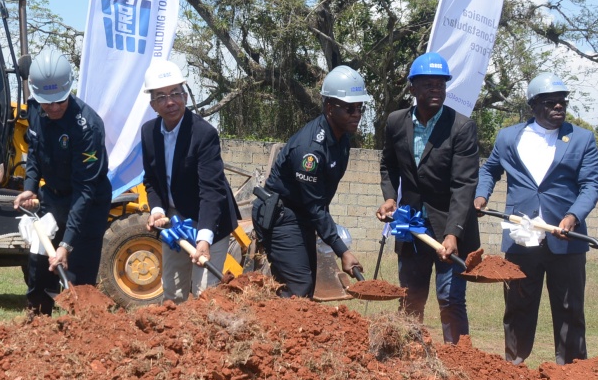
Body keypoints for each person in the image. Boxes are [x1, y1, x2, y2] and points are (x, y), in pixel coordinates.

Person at [474, 72, 598, 365]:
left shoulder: (582, 139)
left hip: (566, 241)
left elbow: (591, 184)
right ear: (533, 105)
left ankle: (572, 373)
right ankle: (514, 368)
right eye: (550, 102)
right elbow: (490, 169)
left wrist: (573, 216)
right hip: (522, 238)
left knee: (570, 308)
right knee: (518, 305)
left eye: (562, 102)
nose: (559, 107)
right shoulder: (509, 137)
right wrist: (482, 195)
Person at [377, 52, 480, 344]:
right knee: (411, 298)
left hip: (451, 230)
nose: (436, 90)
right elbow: (389, 165)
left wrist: (453, 233)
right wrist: (389, 198)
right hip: (411, 227)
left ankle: (459, 359)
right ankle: (410, 359)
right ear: (413, 88)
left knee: (450, 298)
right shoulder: (396, 122)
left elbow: (464, 184)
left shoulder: (461, 127)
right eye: (428, 84)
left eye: (441, 85)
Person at [12, 48, 112, 315]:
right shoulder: (34, 109)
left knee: (77, 276)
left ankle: (80, 332)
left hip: (87, 204)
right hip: (53, 199)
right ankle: (39, 324)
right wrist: (30, 187)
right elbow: (34, 152)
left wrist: (66, 245)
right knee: (39, 267)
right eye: (47, 102)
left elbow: (84, 190)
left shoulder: (87, 127)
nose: (53, 108)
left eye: (60, 100)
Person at [252, 65, 367, 297]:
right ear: (329, 107)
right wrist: (341, 250)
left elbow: (320, 200)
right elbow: (315, 205)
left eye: (360, 107)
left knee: (306, 285)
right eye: (349, 108)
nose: (356, 114)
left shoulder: (342, 139)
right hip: (282, 217)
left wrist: (327, 233)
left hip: (303, 214)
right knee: (298, 287)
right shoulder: (310, 150)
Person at [139, 57, 239, 302]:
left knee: (207, 293)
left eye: (175, 93)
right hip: (174, 220)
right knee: (173, 292)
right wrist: (158, 210)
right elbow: (151, 179)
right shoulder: (149, 133)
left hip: (209, 218)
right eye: (161, 96)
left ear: (184, 95)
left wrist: (204, 238)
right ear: (152, 104)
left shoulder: (204, 134)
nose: (170, 101)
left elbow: (211, 191)